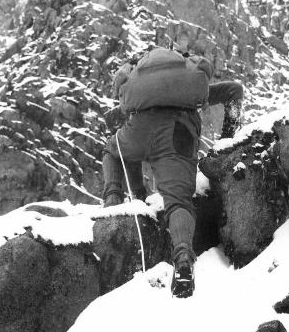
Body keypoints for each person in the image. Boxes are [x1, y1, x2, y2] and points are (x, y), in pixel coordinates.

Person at [101, 48, 243, 298]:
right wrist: (228, 140)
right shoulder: (188, 87)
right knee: (178, 202)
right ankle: (183, 259)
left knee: (113, 151)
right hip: (179, 133)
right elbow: (234, 90)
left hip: (140, 130)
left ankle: (114, 205)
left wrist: (138, 192)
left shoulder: (141, 89)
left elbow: (113, 122)